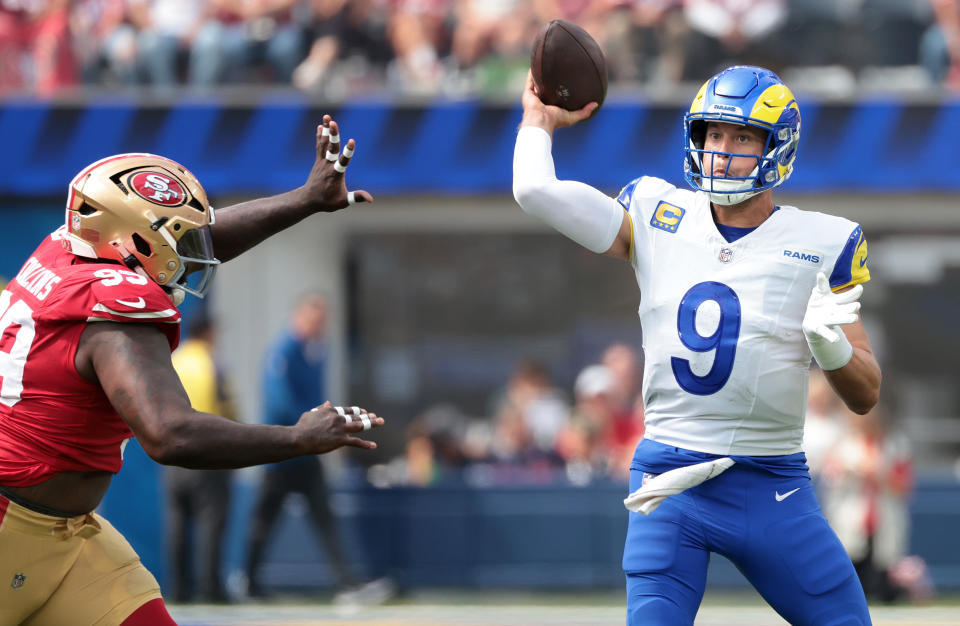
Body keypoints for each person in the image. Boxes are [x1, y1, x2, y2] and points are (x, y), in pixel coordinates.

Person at [513, 65, 881, 624]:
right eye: (712, 134)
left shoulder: (823, 242)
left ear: (776, 146)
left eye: (741, 137)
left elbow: (866, 393)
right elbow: (535, 190)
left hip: (769, 482)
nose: (721, 150)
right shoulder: (657, 212)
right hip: (669, 478)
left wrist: (829, 349)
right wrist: (537, 121)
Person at [0, 115, 383, 625]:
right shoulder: (114, 307)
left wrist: (306, 198)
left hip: (66, 534)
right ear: (132, 240)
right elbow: (171, 435)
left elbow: (199, 239)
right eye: (175, 238)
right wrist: (296, 439)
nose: (191, 254)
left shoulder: (70, 245)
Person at [244, 293, 363, 600]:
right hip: (283, 449)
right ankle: (248, 581)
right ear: (299, 316)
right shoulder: (283, 351)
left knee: (325, 518)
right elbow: (281, 402)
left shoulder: (317, 353)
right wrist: (312, 425)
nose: (319, 326)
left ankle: (347, 584)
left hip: (309, 451)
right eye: (314, 319)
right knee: (264, 520)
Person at [165, 312, 236, 603]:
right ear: (208, 332)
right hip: (209, 453)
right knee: (211, 523)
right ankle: (211, 588)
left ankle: (180, 589)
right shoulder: (212, 363)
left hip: (173, 454)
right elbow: (228, 407)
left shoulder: (174, 360)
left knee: (178, 524)